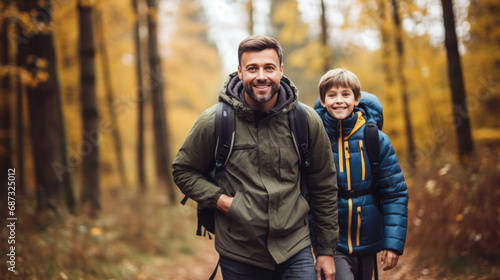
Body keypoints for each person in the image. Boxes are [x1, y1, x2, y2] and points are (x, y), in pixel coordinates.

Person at [172, 35, 339, 280]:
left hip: (295, 247)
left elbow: (323, 184)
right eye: (252, 68)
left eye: (269, 67)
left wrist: (325, 251)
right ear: (240, 72)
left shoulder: (306, 120)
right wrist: (222, 201)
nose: (261, 75)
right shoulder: (215, 121)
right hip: (239, 251)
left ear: (281, 70)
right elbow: (183, 170)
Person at [314, 68, 409, 280]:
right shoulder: (315, 139)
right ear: (322, 100)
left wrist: (392, 244)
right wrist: (318, 244)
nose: (339, 101)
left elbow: (395, 193)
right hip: (332, 242)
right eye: (332, 95)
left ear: (357, 99)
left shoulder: (375, 138)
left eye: (345, 94)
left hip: (368, 240)